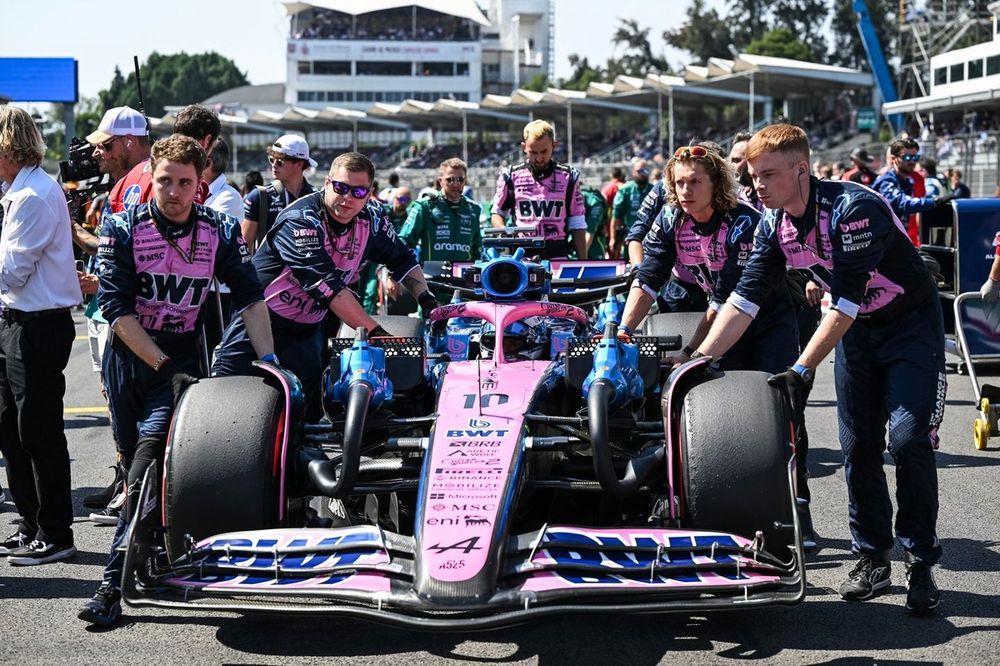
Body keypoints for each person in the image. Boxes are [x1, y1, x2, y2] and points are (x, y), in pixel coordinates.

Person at [694, 124, 946, 614]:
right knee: (858, 446)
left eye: (768, 174)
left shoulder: (853, 209)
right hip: (858, 331)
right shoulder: (772, 223)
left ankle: (920, 558)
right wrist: (701, 358)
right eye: (751, 175)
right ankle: (873, 556)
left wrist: (801, 368)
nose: (756, 186)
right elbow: (743, 298)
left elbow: (846, 302)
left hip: (909, 326)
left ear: (801, 170)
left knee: (909, 438)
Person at [78, 134, 275, 627]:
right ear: (153, 176)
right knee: (132, 464)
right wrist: (163, 366)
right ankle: (154, 547)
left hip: (181, 366)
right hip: (132, 360)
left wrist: (272, 361)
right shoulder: (120, 226)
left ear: (200, 182)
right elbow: (115, 309)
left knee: (146, 463)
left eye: (184, 182)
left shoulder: (220, 229)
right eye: (164, 180)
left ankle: (110, 585)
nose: (172, 191)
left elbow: (252, 299)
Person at [617, 145, 812, 544]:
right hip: (726, 317)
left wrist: (691, 354)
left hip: (766, 319)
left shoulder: (741, 222)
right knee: (726, 411)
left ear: (716, 183)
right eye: (679, 182)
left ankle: (799, 502)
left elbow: (726, 301)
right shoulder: (671, 217)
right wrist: (621, 332)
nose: (685, 190)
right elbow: (648, 278)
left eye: (695, 182)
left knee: (781, 409)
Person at [213, 152, 436, 414]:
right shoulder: (301, 219)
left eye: (358, 191)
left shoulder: (372, 220)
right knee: (227, 409)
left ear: (369, 193)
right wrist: (379, 335)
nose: (347, 198)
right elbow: (329, 289)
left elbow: (404, 259)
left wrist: (427, 300)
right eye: (341, 188)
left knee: (303, 418)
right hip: (257, 325)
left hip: (306, 332)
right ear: (328, 183)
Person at [0, 106, 82, 565]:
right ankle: (32, 523)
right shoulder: (20, 191)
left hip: (36, 324)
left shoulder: (31, 196)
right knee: (11, 429)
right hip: (17, 321)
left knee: (38, 431)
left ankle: (55, 532)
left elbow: (11, 271)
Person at [490, 120, 587, 259]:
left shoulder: (569, 177)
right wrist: (504, 232)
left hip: (557, 254)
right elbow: (497, 213)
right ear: (524, 147)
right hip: (521, 255)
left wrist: (583, 262)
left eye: (544, 151)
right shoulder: (510, 176)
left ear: (554, 146)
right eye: (533, 152)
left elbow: (577, 223)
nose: (539, 158)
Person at [241, 134, 319, 250]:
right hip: (268, 267)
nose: (274, 165)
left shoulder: (315, 197)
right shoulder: (260, 196)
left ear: (299, 164)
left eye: (280, 162)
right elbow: (243, 247)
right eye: (272, 160)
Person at [203, 138, 245, 351]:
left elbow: (202, 234)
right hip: (197, 289)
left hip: (216, 293)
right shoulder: (201, 192)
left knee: (212, 354)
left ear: (207, 163)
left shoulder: (228, 197)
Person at [873, 137, 952, 234]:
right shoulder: (886, 181)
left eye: (915, 158)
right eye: (907, 157)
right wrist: (935, 201)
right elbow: (903, 203)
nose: (912, 162)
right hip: (882, 239)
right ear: (894, 159)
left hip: (897, 237)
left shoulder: (907, 181)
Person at [359, 186, 412, 313]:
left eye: (406, 200)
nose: (402, 202)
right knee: (359, 287)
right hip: (370, 254)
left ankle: (368, 317)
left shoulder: (410, 217)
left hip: (388, 258)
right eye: (400, 199)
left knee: (370, 290)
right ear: (393, 199)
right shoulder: (383, 212)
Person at [609, 159, 653, 258]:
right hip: (630, 237)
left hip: (651, 238)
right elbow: (616, 216)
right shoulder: (625, 190)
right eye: (639, 171)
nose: (642, 174)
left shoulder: (654, 190)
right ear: (633, 171)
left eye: (645, 170)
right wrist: (613, 239)